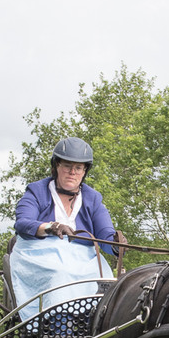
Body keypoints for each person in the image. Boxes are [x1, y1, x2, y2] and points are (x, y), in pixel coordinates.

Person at [10, 137, 119, 321]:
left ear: (85, 171)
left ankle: (95, 325)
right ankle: (56, 327)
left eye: (78, 168)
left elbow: (105, 237)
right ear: (56, 166)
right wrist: (52, 227)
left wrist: (116, 243)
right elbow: (22, 223)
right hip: (39, 255)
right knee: (61, 274)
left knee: (107, 280)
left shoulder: (93, 198)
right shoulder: (37, 191)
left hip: (83, 259)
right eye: (67, 166)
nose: (72, 172)